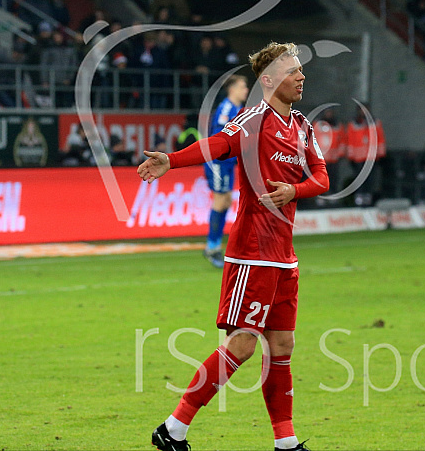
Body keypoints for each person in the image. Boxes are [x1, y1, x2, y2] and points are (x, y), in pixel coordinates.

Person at [137, 42, 326, 451]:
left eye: (300, 70)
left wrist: (294, 189)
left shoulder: (303, 127)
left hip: (283, 255)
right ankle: (173, 429)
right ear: (270, 79)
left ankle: (286, 442)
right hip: (252, 251)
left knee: (282, 345)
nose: (301, 76)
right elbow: (218, 145)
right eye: (294, 70)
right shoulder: (253, 120)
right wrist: (172, 159)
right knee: (241, 344)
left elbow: (322, 177)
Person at [202, 74, 249, 268]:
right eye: (242, 86)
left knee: (226, 201)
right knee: (220, 201)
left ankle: (215, 245)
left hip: (228, 164)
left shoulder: (237, 109)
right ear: (232, 89)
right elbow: (219, 137)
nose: (245, 90)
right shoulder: (227, 108)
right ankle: (211, 247)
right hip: (218, 163)